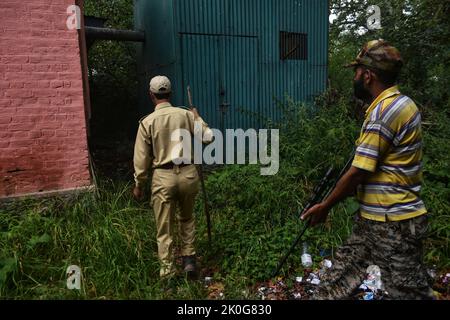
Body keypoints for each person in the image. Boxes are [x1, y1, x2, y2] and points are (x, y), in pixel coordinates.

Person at [301, 40, 434, 300]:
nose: (354, 77)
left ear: (367, 74)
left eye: (356, 72)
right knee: (335, 282)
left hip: (394, 224)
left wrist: (325, 206)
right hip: (374, 220)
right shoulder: (399, 105)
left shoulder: (385, 112)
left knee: (408, 294)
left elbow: (359, 171)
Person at [132, 75, 213, 278]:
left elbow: (141, 160)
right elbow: (207, 137)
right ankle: (188, 260)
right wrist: (197, 116)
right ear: (171, 93)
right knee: (186, 218)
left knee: (164, 227)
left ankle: (167, 271)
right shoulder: (185, 115)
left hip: (163, 177)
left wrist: (139, 184)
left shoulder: (147, 122)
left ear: (151, 95)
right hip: (188, 175)